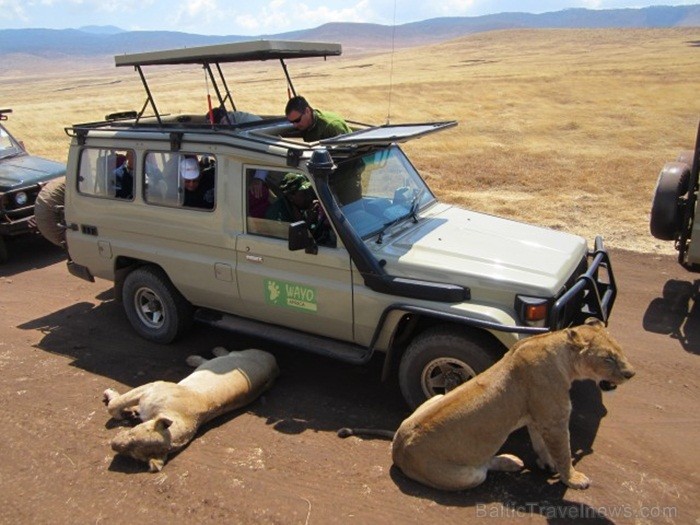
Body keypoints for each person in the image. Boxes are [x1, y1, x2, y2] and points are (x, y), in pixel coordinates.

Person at [265, 172, 335, 246]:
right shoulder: (276, 215)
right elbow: (292, 243)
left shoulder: (301, 206)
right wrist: (309, 220)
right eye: (304, 194)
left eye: (308, 192)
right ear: (291, 197)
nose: (309, 197)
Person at [284, 95, 350, 142]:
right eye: (292, 122)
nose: (295, 125)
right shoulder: (307, 124)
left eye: (297, 120)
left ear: (307, 111)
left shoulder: (331, 127)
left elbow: (348, 154)